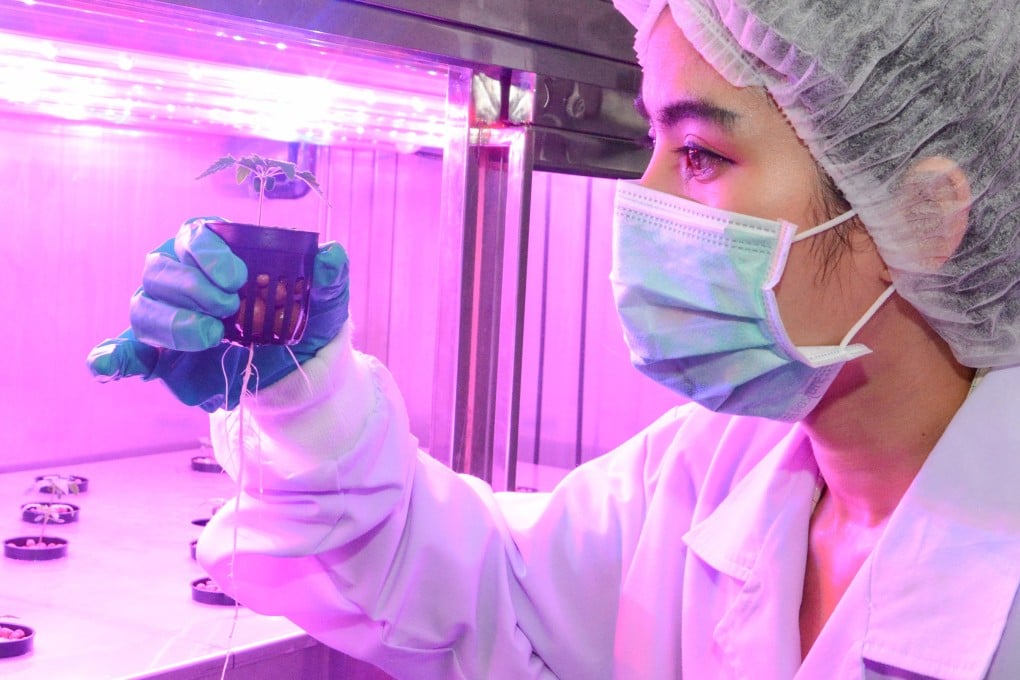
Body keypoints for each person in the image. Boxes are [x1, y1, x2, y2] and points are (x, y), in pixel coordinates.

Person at [87, 0, 1020, 677]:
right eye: (651, 146)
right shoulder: (714, 467)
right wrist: (297, 392)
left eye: (700, 155)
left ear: (922, 216)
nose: (642, 201)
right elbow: (480, 589)